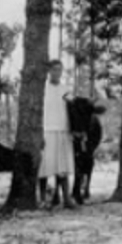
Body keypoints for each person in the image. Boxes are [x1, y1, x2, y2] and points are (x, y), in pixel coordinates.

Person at [39, 59, 77, 208]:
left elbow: (74, 108)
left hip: (63, 130)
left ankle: (66, 198)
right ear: (49, 71)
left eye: (59, 70)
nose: (57, 73)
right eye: (54, 69)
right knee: (44, 167)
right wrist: (39, 133)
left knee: (63, 167)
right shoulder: (43, 88)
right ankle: (42, 199)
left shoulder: (65, 89)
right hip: (46, 130)